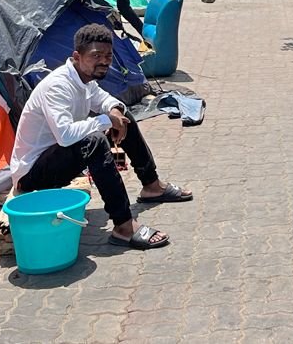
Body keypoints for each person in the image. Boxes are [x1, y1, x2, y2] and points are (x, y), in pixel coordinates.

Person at [10, 24, 193, 250]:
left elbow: (104, 100)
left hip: (57, 160)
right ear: (77, 56)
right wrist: (107, 121)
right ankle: (124, 226)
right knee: (94, 141)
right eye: (96, 56)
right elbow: (65, 136)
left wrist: (115, 113)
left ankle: (152, 186)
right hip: (31, 176)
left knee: (123, 116)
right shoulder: (57, 86)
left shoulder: (84, 79)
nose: (104, 62)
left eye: (108, 56)